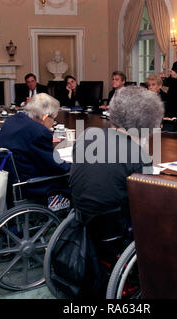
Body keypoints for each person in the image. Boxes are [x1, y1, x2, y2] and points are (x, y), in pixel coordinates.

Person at [70, 86, 163, 250]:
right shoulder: (139, 156)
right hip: (114, 227)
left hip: (80, 215)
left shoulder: (87, 135)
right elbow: (145, 204)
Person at [0, 93, 70, 200]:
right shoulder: (39, 132)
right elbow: (56, 167)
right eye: (54, 119)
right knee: (74, 180)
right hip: (32, 186)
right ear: (45, 117)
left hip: (9, 182)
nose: (53, 123)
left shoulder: (12, 120)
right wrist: (75, 166)